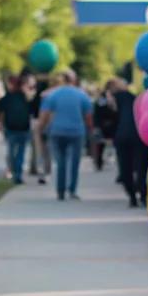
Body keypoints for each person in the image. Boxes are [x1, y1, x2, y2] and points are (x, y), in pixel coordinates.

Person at [39, 70, 93, 201]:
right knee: (74, 162)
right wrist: (89, 130)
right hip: (76, 132)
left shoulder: (53, 95)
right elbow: (88, 116)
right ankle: (72, 190)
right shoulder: (82, 95)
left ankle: (60, 191)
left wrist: (41, 128)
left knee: (60, 162)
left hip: (57, 131)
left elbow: (44, 115)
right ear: (74, 80)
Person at [110, 76, 148, 207]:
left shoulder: (117, 97)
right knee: (141, 167)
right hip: (139, 135)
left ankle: (132, 197)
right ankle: (143, 196)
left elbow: (112, 115)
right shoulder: (138, 98)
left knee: (125, 167)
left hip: (122, 136)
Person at [0, 73, 32, 183]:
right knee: (20, 152)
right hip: (24, 128)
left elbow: (0, 114)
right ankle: (17, 174)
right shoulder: (25, 98)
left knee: (11, 152)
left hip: (11, 129)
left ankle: (14, 171)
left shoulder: (5, 99)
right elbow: (31, 112)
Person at [27, 74, 51, 184]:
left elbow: (30, 111)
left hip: (37, 124)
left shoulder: (36, 97)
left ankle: (39, 170)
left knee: (38, 149)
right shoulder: (49, 97)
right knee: (47, 150)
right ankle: (47, 171)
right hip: (49, 124)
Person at [92, 84, 117, 171]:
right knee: (101, 144)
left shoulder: (102, 100)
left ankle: (100, 162)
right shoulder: (103, 100)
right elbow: (101, 112)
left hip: (105, 124)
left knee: (102, 145)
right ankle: (99, 162)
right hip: (105, 125)